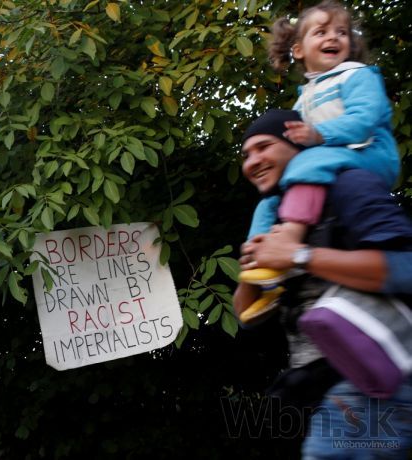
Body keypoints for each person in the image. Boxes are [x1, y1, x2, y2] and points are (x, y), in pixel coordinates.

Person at [234, 109, 412, 458]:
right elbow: (245, 315)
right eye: (246, 155)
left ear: (298, 144)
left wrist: (299, 256)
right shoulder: (278, 218)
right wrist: (253, 267)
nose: (252, 162)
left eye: (264, 147)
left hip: (381, 382)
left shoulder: (348, 185)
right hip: (327, 388)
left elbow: (406, 267)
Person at [239, 0, 401, 322]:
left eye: (342, 32)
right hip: (331, 157)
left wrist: (318, 134)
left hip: (369, 154)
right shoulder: (306, 95)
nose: (334, 38)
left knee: (306, 164)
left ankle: (290, 237)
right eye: (321, 32)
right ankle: (260, 264)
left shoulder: (357, 75)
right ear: (298, 50)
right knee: (268, 203)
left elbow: (365, 119)